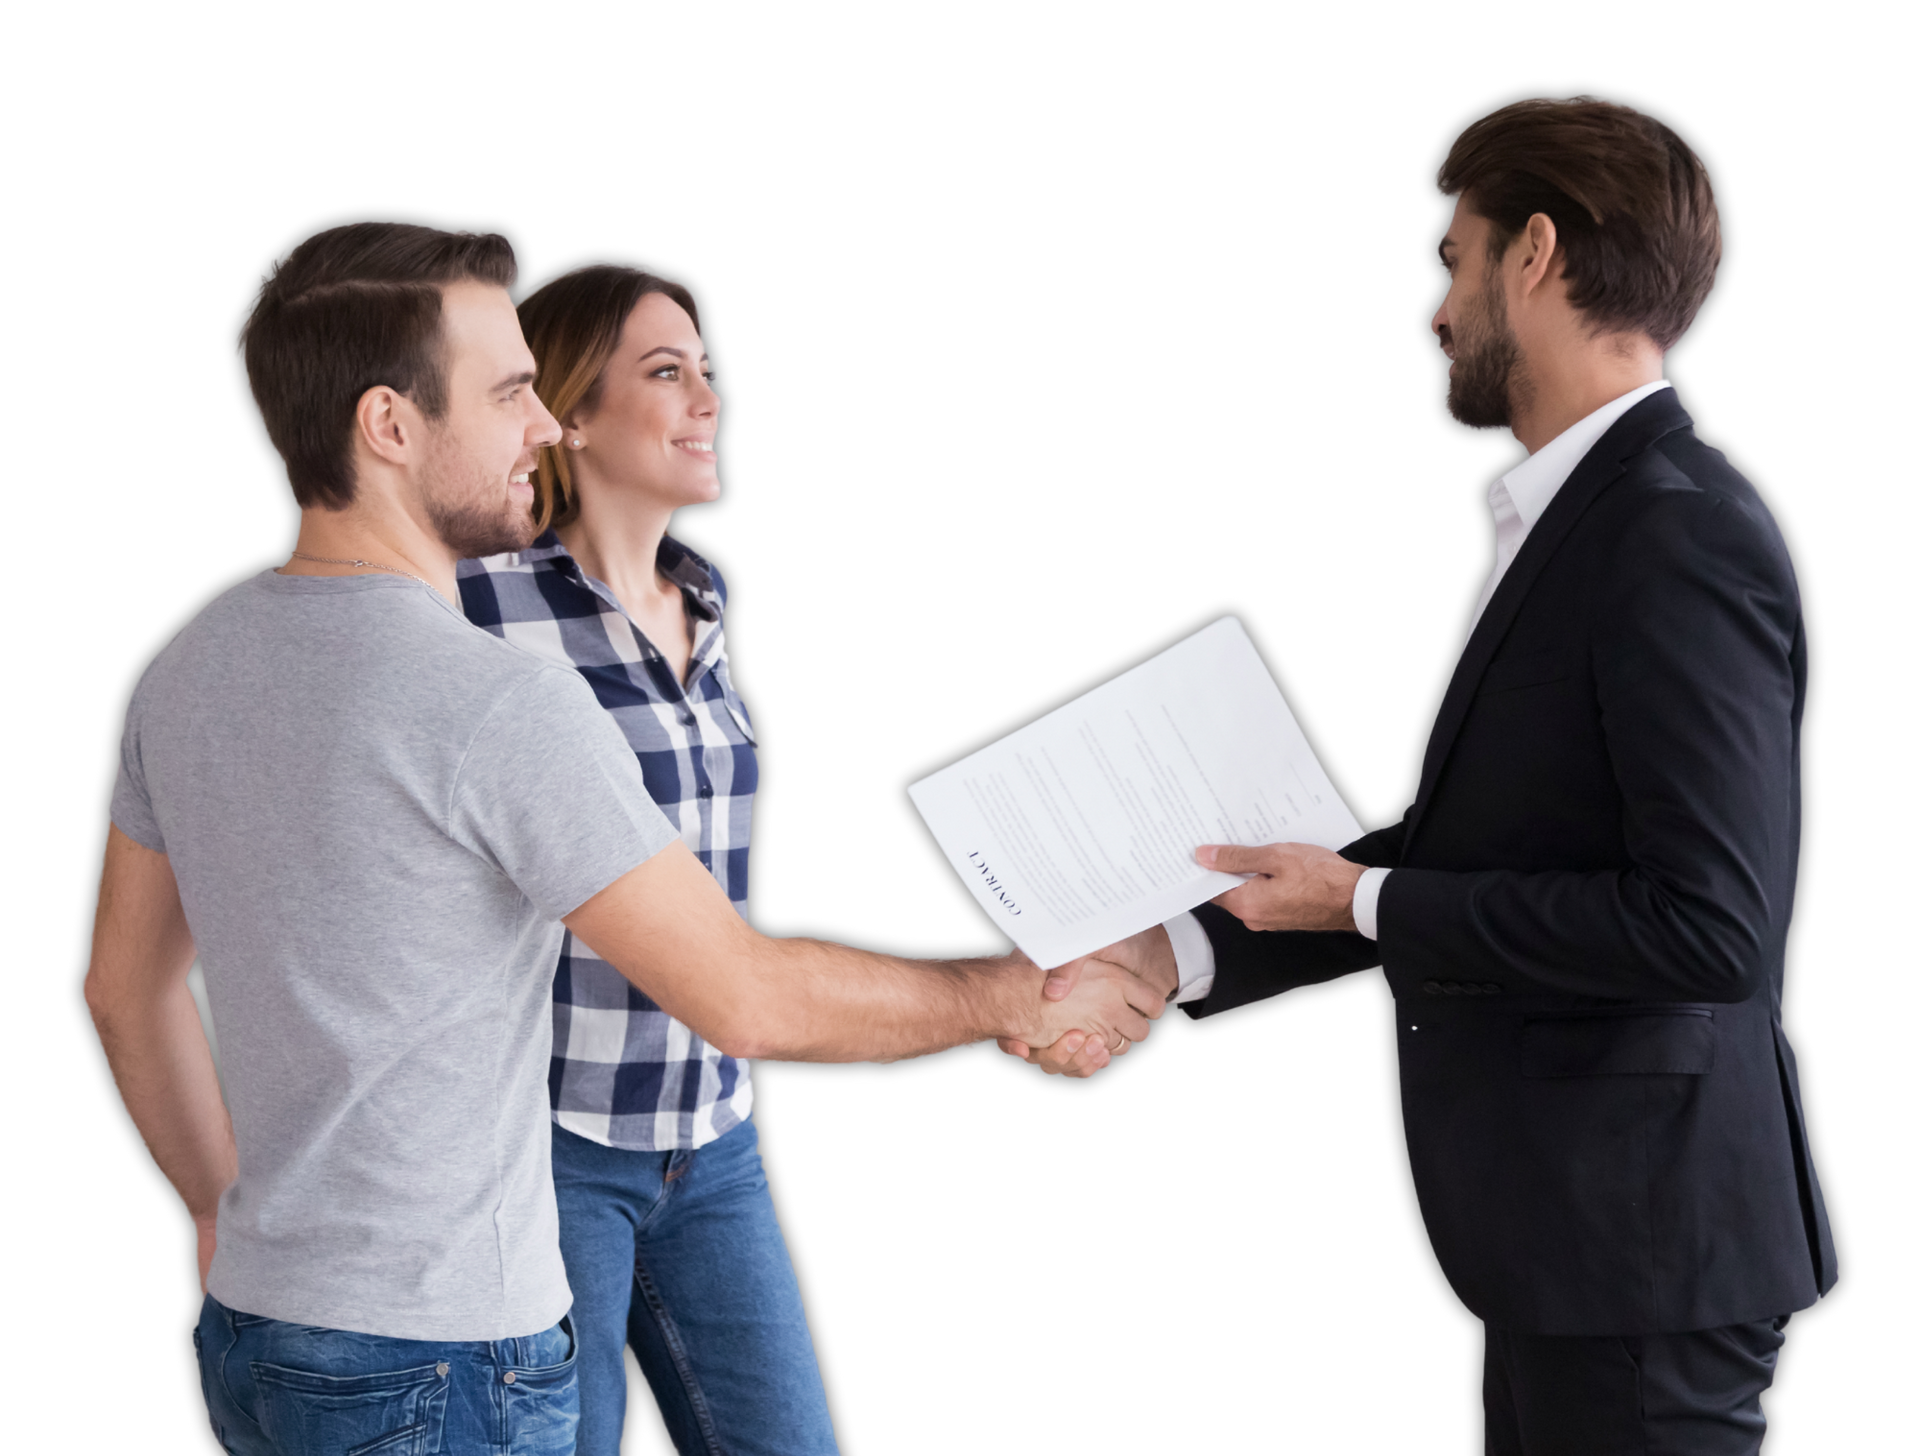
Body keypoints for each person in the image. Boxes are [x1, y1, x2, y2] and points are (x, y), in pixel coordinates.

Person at [83, 221, 1166, 1456]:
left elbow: (125, 991)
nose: (538, 426)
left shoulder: (186, 669)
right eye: (507, 394)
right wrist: (1004, 994)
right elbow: (744, 995)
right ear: (389, 425)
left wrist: (222, 1213)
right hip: (447, 1350)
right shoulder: (495, 693)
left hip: (262, 1329)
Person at [1013, 97, 1835, 1454]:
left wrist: (1364, 904)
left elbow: (1711, 929)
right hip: (1574, 1250)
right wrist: (1172, 955)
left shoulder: (1674, 533)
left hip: (1642, 1254)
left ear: (1535, 255)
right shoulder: (1581, 515)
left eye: (1456, 263)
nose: (1441, 311)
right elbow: (1479, 852)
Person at [454, 263, 826, 1453]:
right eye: (667, 374)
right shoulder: (478, 609)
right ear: (568, 410)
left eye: (707, 373)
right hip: (548, 1144)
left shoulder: (706, 607)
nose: (707, 399)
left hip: (715, 1138)